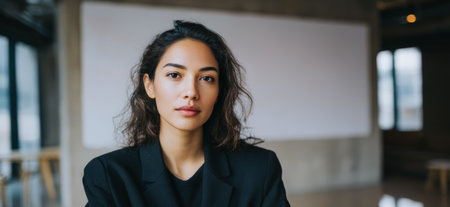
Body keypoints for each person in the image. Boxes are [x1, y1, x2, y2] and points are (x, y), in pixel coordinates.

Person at [83, 20, 290, 207]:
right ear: (149, 85)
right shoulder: (109, 175)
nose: (191, 91)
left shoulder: (260, 169)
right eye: (174, 75)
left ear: (219, 91)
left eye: (207, 78)